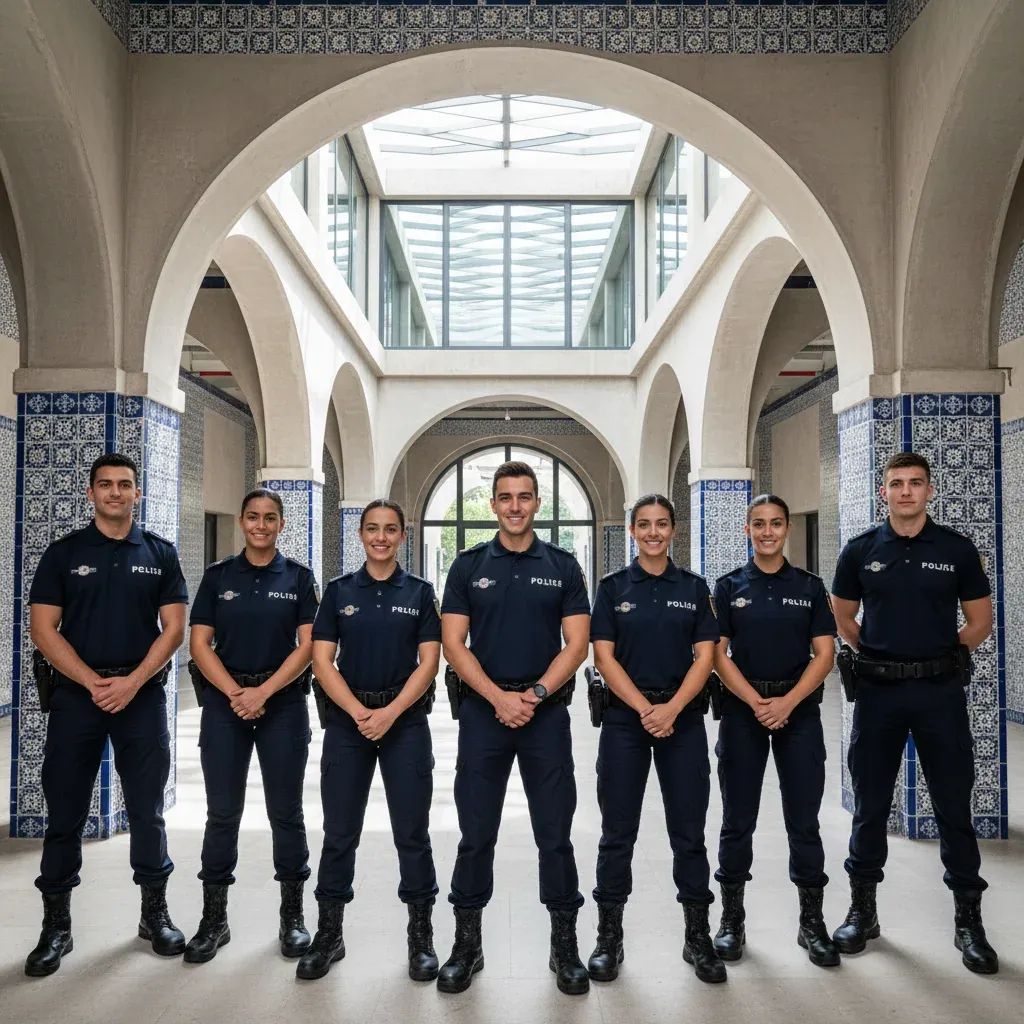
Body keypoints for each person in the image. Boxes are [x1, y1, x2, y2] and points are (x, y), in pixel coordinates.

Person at [831, 451, 998, 974]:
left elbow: (980, 621)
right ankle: (862, 912)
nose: (906, 491)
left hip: (939, 694)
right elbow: (843, 614)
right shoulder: (860, 551)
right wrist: (875, 653)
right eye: (897, 483)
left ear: (930, 491)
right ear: (883, 492)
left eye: (916, 483)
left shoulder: (956, 549)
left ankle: (969, 923)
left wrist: (940, 656)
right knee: (870, 804)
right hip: (878, 692)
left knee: (953, 805)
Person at [25, 453, 188, 977]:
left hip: (140, 696)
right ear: (91, 493)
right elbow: (43, 629)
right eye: (105, 485)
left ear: (138, 493)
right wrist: (90, 682)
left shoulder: (160, 554)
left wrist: (132, 682)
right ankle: (56, 927)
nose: (115, 492)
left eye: (124, 484)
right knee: (64, 811)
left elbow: (174, 629)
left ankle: (154, 915)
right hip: (78, 697)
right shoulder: (63, 554)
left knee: (147, 810)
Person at [438, 460, 591, 995]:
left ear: (538, 504)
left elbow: (577, 644)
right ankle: (467, 945)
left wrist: (535, 695)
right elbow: (453, 644)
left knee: (555, 833)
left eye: (524, 497)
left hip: (545, 716)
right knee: (476, 833)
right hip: (484, 714)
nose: (515, 506)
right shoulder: (468, 566)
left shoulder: (563, 566)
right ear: (493, 505)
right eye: (505, 497)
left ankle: (564, 946)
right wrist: (498, 698)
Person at [297, 499, 441, 982]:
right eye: (373, 529)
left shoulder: (420, 592)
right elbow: (322, 661)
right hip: (348, 724)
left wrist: (390, 713)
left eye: (390, 529)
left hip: (405, 723)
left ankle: (421, 938)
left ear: (402, 535)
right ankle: (329, 934)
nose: (381, 537)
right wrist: (360, 712)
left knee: (412, 834)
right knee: (339, 833)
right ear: (360, 534)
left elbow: (429, 662)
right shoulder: (339, 591)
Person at [587, 494, 725, 985]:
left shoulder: (693, 587)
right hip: (626, 721)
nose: (652, 532)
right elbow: (603, 657)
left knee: (689, 833)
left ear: (673, 530)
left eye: (661, 524)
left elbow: (706, 656)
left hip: (681, 721)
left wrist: (672, 709)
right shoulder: (612, 587)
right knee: (617, 833)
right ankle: (609, 937)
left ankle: (697, 936)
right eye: (643, 524)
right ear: (632, 531)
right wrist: (646, 710)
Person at [183, 488, 318, 964]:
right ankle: (214, 920)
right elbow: (199, 644)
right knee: (222, 813)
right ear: (242, 521)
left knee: (287, 813)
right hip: (226, 705)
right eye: (254, 517)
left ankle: (292, 917)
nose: (261, 525)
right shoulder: (218, 577)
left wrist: (264, 692)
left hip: (283, 704)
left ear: (281, 524)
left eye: (270, 518)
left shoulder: (299, 577)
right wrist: (236, 694)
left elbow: (308, 646)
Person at [711, 494, 839, 968]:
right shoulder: (729, 586)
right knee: (737, 819)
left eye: (776, 524)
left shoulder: (809, 586)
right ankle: (731, 920)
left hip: (798, 711)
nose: (768, 532)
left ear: (786, 529)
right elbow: (717, 654)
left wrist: (787, 702)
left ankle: (812, 922)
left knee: (803, 819)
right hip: (743, 711)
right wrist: (755, 701)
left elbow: (824, 654)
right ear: (747, 529)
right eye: (759, 524)